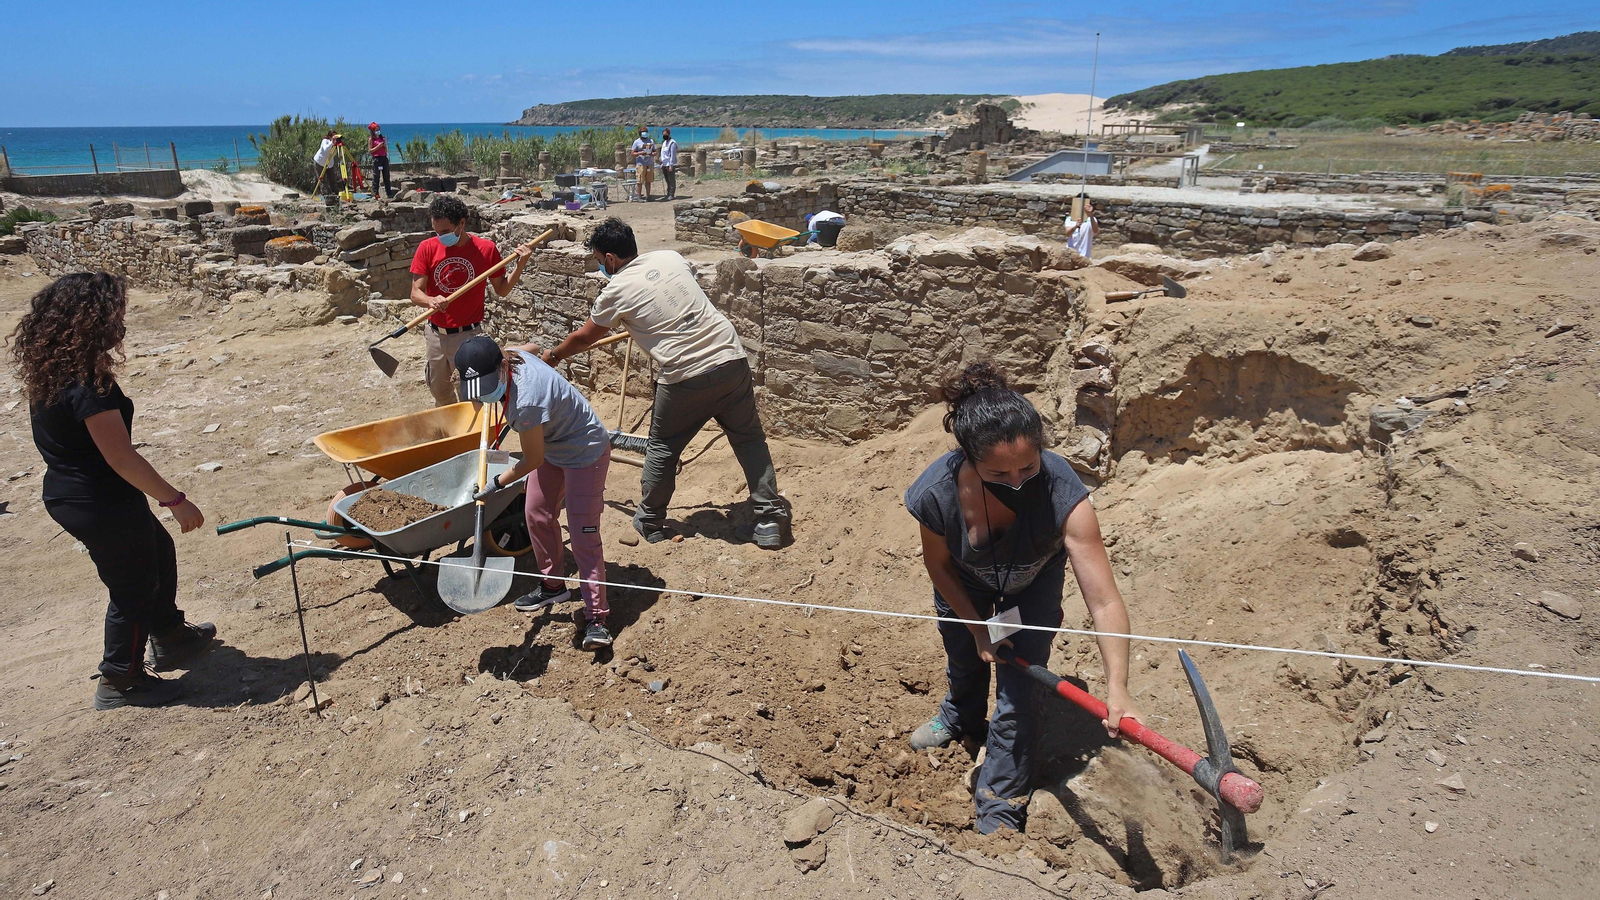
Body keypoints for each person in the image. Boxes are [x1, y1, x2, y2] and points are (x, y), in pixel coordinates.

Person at [904, 362, 1140, 834]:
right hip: (965, 585)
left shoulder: (1061, 492)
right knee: (965, 660)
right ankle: (960, 717)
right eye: (998, 473)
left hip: (1031, 588)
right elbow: (939, 566)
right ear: (968, 458)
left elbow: (1104, 601)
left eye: (1027, 467)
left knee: (1018, 694)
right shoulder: (936, 494)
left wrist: (1119, 686)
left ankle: (1001, 801)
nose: (1016, 482)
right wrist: (977, 630)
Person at [8, 273, 215, 710]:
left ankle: (170, 634)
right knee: (133, 586)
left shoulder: (54, 368)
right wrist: (176, 500)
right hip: (97, 500)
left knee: (157, 552)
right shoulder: (87, 385)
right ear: (92, 319)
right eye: (116, 313)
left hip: (81, 494)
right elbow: (121, 458)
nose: (122, 322)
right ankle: (121, 679)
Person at [541, 217, 789, 548]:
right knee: (748, 440)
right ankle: (770, 519)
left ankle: (650, 520)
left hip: (684, 374)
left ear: (611, 259)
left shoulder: (614, 291)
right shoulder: (670, 257)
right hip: (730, 357)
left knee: (663, 446)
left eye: (601, 262)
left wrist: (554, 356)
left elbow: (584, 337)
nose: (602, 267)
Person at [456, 336, 616, 649]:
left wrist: (497, 483)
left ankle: (597, 617)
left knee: (584, 533)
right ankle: (553, 584)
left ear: (503, 367)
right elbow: (529, 348)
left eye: (489, 386)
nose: (485, 396)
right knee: (536, 514)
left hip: (586, 452)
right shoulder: (510, 356)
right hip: (554, 447)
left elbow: (532, 459)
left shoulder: (525, 401)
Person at [409, 195, 535, 406]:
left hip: (468, 337)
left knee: (474, 397)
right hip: (436, 336)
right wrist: (430, 300)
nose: (440, 237)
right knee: (440, 393)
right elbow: (415, 293)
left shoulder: (485, 250)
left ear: (462, 223)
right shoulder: (427, 248)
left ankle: (476, 438)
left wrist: (520, 265)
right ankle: (451, 435)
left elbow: (502, 289)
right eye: (436, 232)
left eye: (445, 232)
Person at [1064, 195, 1099, 260]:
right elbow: (1068, 233)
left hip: (1084, 256)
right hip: (1070, 254)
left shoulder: (1091, 220)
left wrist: (1090, 214)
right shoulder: (1070, 219)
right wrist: (1075, 227)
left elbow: (1095, 231)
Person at [631, 127, 656, 200]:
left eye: (646, 131)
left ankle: (648, 196)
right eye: (643, 132)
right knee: (640, 181)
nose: (644, 133)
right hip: (640, 164)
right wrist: (640, 153)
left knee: (648, 180)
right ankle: (639, 196)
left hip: (649, 163)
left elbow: (655, 151)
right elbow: (632, 153)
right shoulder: (636, 142)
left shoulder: (651, 140)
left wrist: (652, 154)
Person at [368, 122, 392, 198]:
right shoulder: (371, 139)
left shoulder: (382, 138)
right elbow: (370, 150)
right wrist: (378, 146)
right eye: (376, 129)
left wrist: (384, 146)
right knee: (376, 176)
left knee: (386, 176)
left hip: (384, 158)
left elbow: (386, 151)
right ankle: (375, 193)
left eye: (378, 129)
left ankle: (389, 193)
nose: (378, 131)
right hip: (376, 158)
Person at [658, 127, 680, 201]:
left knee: (671, 179)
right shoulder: (664, 143)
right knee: (667, 179)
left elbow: (672, 155)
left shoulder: (672, 143)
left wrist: (671, 165)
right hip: (664, 164)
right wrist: (661, 162)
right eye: (663, 134)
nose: (664, 136)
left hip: (670, 164)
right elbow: (663, 154)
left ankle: (671, 194)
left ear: (668, 134)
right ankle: (668, 193)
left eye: (665, 134)